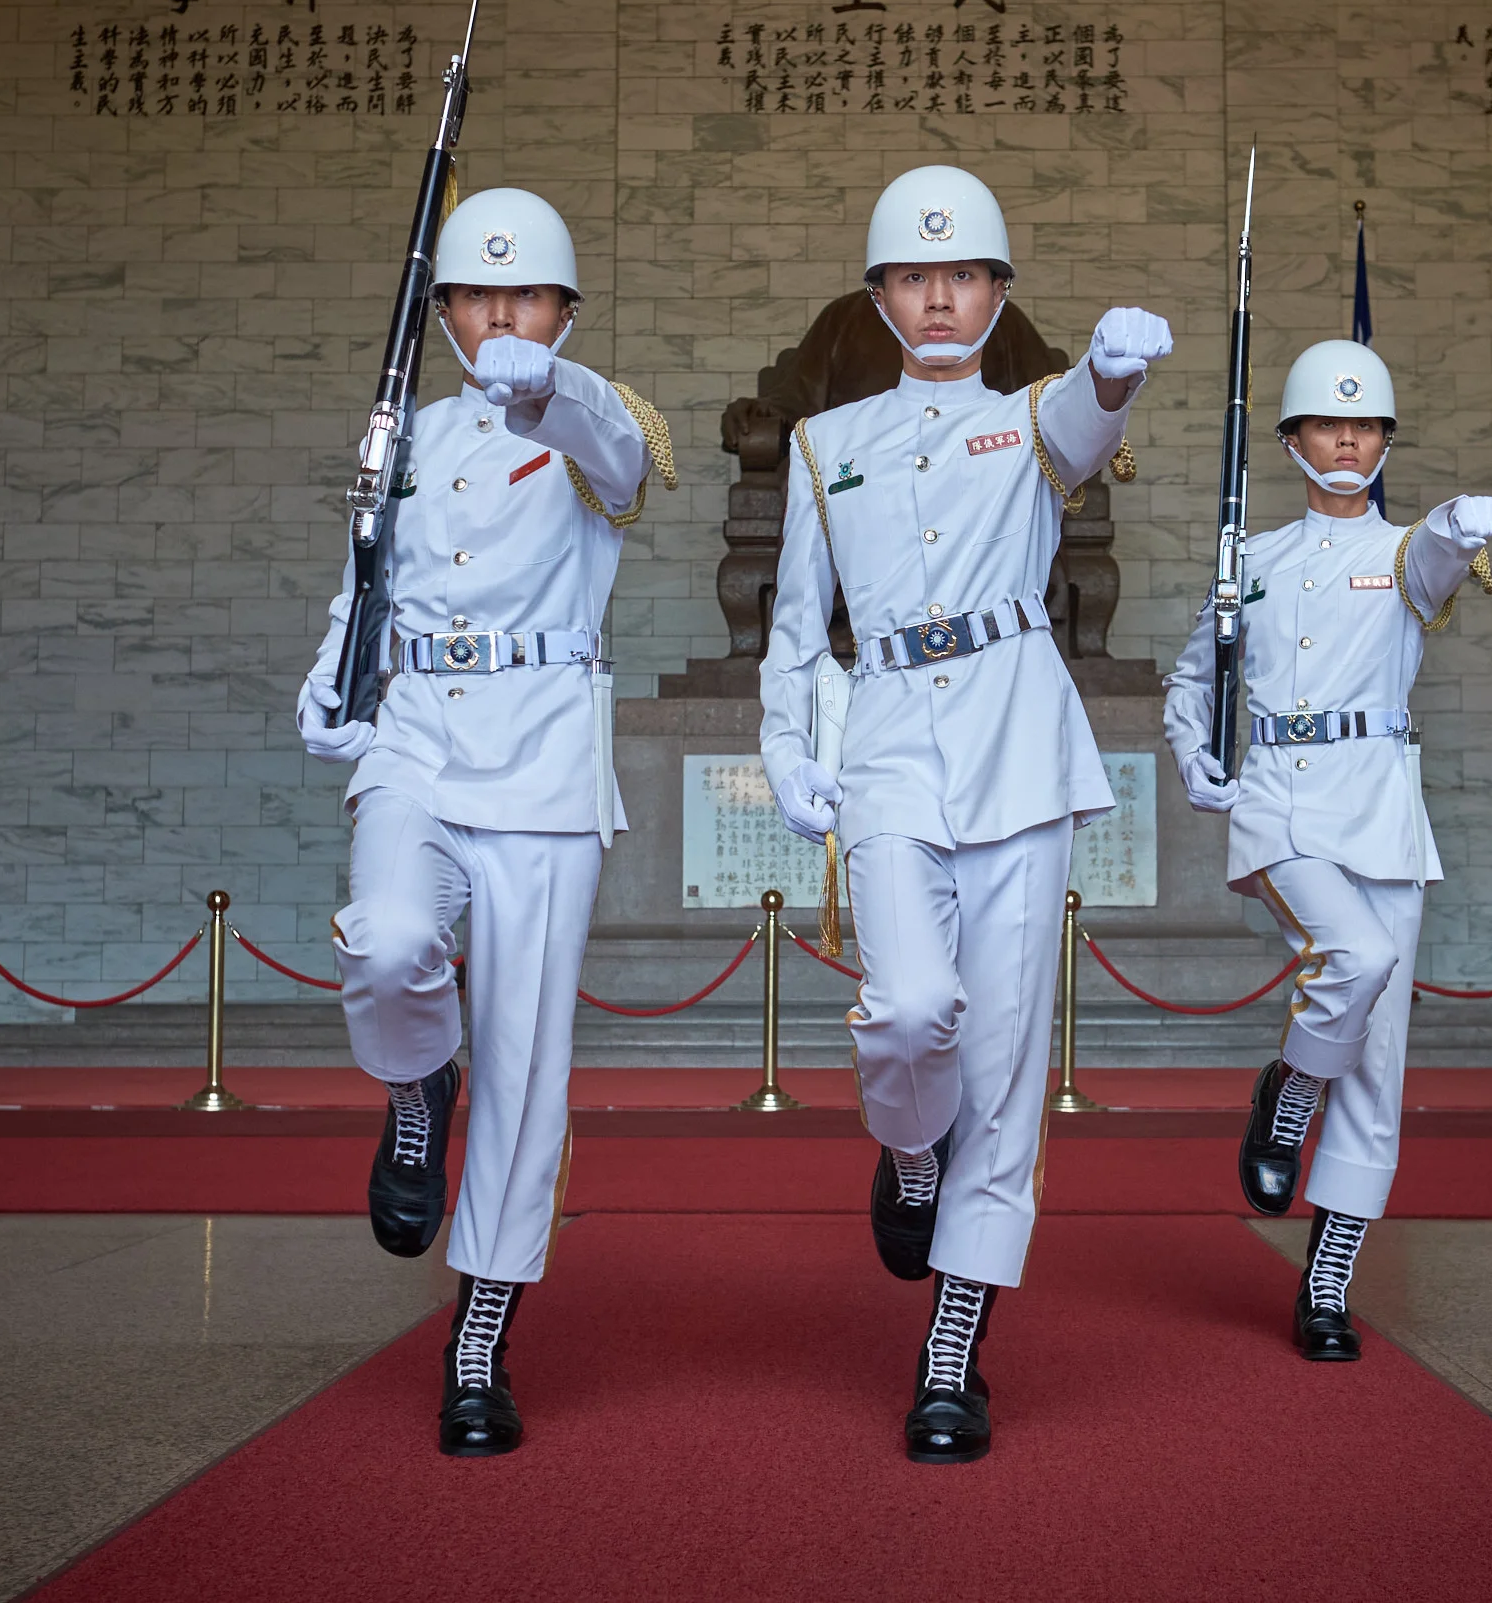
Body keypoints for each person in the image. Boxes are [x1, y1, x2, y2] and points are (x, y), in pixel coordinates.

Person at [759, 163, 1170, 1462]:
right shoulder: (829, 446)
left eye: (966, 275)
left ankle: (952, 1348)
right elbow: (792, 623)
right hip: (884, 735)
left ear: (997, 294)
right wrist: (785, 743)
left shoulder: (1034, 417)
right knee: (911, 1008)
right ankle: (910, 1150)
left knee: (1003, 1060)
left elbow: (1089, 431)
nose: (940, 296)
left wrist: (1113, 374)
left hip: (1016, 740)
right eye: (915, 277)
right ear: (882, 296)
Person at [295, 186, 673, 1455]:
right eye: (476, 295)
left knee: (526, 1061)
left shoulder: (595, 424)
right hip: (418, 734)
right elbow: (371, 568)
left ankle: (480, 1334)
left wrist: (547, 389)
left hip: (544, 760)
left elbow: (619, 459)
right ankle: (414, 1080)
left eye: (527, 296)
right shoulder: (400, 434)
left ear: (566, 310)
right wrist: (334, 664)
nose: (500, 314)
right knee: (387, 938)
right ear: (443, 309)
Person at [1161, 339, 1492, 1361]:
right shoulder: (1249, 562)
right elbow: (1191, 678)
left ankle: (1326, 1280)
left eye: (1367, 426)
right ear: (1291, 440)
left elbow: (1438, 566)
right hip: (1280, 804)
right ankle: (1289, 1092)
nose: (1349, 438)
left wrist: (1451, 524)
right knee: (1352, 957)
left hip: (1380, 814)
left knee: (1381, 1064)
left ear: (1385, 440)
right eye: (1328, 423)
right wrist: (1191, 753)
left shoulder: (1406, 554)